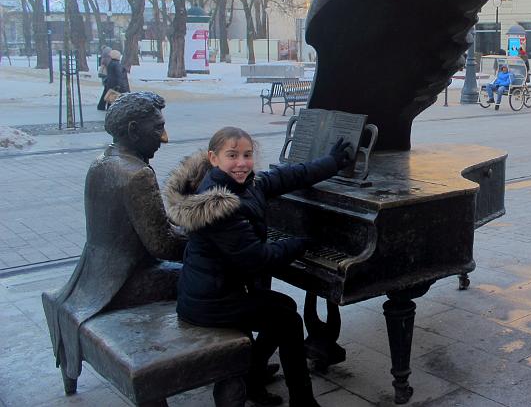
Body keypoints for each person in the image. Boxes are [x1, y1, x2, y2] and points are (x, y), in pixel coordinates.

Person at [164, 127, 354, 407]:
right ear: (213, 158)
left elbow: (289, 175)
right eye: (232, 155)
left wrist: (331, 162)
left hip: (215, 289)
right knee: (287, 319)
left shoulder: (244, 184)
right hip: (210, 303)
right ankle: (301, 398)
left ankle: (253, 376)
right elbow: (258, 258)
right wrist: (300, 244)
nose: (241, 163)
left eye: (247, 155)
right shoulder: (218, 206)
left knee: (284, 309)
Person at [43, 92, 187, 386]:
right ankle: (236, 362)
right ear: (133, 130)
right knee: (216, 276)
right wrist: (207, 237)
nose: (165, 137)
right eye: (157, 128)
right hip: (123, 282)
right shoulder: (136, 174)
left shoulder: (102, 161)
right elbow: (163, 246)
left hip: (93, 275)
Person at [96, 46, 112, 110]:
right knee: (108, 91)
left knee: (106, 91)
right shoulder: (108, 59)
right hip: (107, 77)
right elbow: (109, 68)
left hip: (105, 77)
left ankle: (102, 105)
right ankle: (104, 105)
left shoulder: (103, 58)